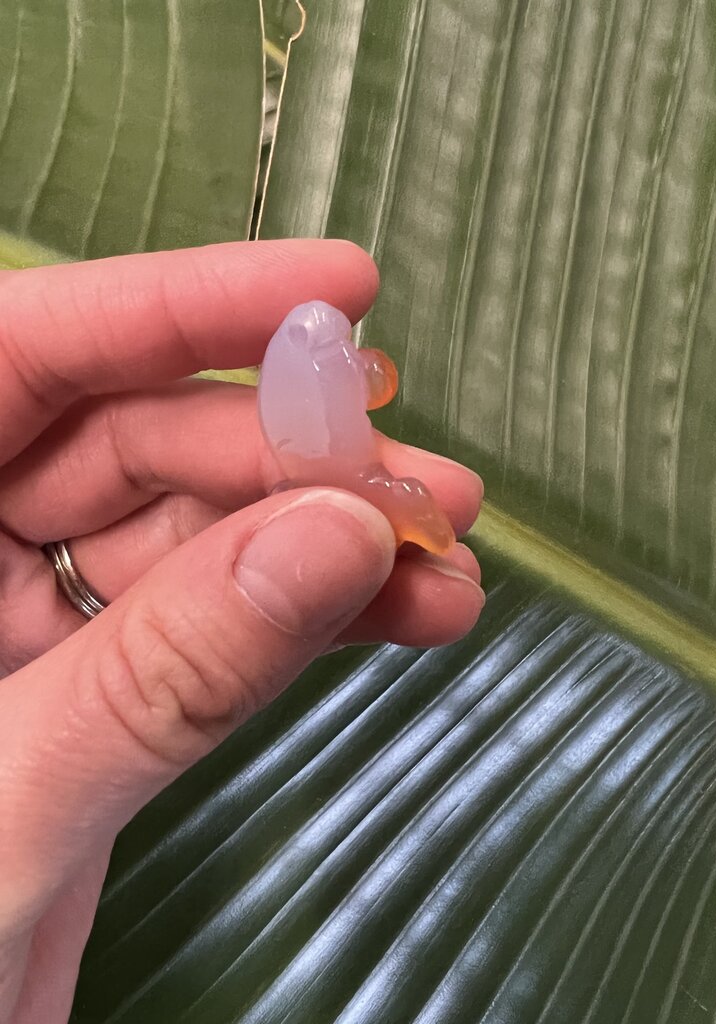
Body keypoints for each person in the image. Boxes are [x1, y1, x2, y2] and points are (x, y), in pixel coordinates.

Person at [0, 239, 485, 1023]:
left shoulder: (315, 357)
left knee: (391, 500)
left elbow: (370, 378)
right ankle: (397, 523)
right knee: (388, 505)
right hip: (336, 474)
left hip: (330, 463)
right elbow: (373, 378)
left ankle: (402, 519)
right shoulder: (316, 361)